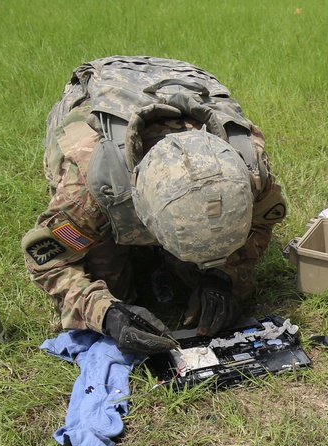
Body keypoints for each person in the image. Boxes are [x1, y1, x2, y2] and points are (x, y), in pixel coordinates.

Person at [22, 56, 287, 355]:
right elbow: (49, 262)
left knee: (199, 277)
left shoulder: (248, 168)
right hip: (100, 101)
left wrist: (223, 278)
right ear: (142, 211)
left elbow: (262, 224)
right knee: (114, 289)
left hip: (179, 78)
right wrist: (106, 314)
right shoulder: (91, 184)